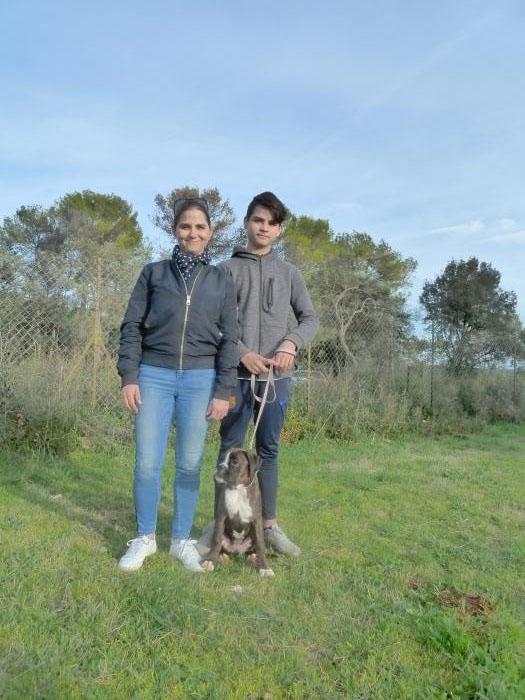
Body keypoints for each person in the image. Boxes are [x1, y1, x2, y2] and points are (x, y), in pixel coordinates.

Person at [117, 197, 238, 573]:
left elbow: (230, 339)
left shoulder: (221, 280)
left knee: (189, 464)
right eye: (186, 226)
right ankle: (145, 538)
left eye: (200, 227)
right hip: (153, 375)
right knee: (147, 463)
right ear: (175, 230)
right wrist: (129, 376)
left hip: (200, 380)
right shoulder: (153, 274)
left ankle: (181, 541)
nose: (193, 233)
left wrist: (223, 390)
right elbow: (131, 326)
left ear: (210, 232)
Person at [201, 191, 319, 557]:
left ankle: (267, 526)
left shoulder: (290, 274)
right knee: (229, 451)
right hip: (235, 378)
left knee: (268, 450)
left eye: (271, 223)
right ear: (247, 223)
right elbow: (212, 323)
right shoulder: (225, 270)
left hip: (275, 381)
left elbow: (310, 319)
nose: (264, 227)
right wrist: (242, 353)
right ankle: (219, 525)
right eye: (258, 220)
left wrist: (290, 345)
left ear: (279, 230)